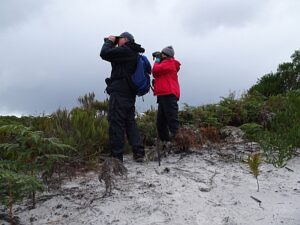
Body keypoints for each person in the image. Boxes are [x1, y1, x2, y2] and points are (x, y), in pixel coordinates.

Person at [100, 32, 146, 162]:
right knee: (129, 122)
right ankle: (139, 152)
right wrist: (113, 45)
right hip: (129, 93)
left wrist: (109, 42)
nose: (118, 41)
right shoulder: (133, 52)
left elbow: (104, 53)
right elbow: (114, 57)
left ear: (125, 40)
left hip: (120, 92)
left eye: (120, 39)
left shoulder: (126, 50)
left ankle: (116, 156)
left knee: (116, 122)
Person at [152, 46, 181, 143]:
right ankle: (166, 142)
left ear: (166, 55)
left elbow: (155, 70)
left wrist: (157, 59)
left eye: (162, 54)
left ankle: (180, 143)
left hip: (168, 94)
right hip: (165, 94)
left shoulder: (169, 63)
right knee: (161, 122)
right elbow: (157, 73)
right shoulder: (168, 63)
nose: (160, 55)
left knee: (172, 120)